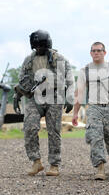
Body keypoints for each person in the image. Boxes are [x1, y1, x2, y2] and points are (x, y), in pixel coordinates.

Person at [15, 30, 74, 177]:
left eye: (41, 46)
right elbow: (22, 79)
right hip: (35, 98)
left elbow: (70, 79)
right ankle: (36, 161)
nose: (39, 49)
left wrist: (70, 97)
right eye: (36, 47)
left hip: (54, 97)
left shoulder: (59, 59)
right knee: (29, 127)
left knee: (54, 131)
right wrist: (17, 95)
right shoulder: (29, 60)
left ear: (48, 44)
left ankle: (54, 164)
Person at [72, 42, 109, 180]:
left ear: (105, 53)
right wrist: (75, 113)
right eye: (93, 51)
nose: (96, 53)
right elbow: (79, 92)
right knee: (95, 137)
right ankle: (100, 167)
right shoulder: (85, 70)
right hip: (94, 108)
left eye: (99, 50)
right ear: (90, 53)